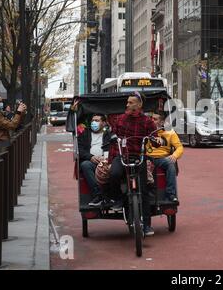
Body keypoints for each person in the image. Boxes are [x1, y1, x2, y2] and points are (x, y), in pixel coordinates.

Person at [107, 92, 156, 236]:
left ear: (139, 105)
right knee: (114, 173)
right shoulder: (121, 119)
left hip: (139, 156)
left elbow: (155, 137)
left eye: (131, 103)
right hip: (122, 156)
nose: (127, 105)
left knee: (144, 190)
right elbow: (113, 137)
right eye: (127, 102)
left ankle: (146, 226)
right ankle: (117, 199)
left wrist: (156, 140)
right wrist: (111, 158)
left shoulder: (147, 121)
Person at [147, 112, 183, 203]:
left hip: (161, 158)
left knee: (171, 164)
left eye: (155, 119)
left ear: (162, 122)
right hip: (147, 157)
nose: (152, 121)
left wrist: (174, 156)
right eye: (151, 118)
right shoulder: (146, 130)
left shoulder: (170, 132)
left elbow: (179, 147)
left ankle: (171, 194)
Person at [78, 113, 112, 207]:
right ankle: (99, 194)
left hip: (106, 161)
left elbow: (113, 148)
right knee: (85, 165)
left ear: (104, 123)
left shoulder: (108, 134)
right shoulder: (85, 133)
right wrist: (91, 157)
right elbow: (80, 150)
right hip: (91, 162)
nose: (94, 123)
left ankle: (114, 195)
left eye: (97, 121)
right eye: (93, 120)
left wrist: (105, 158)